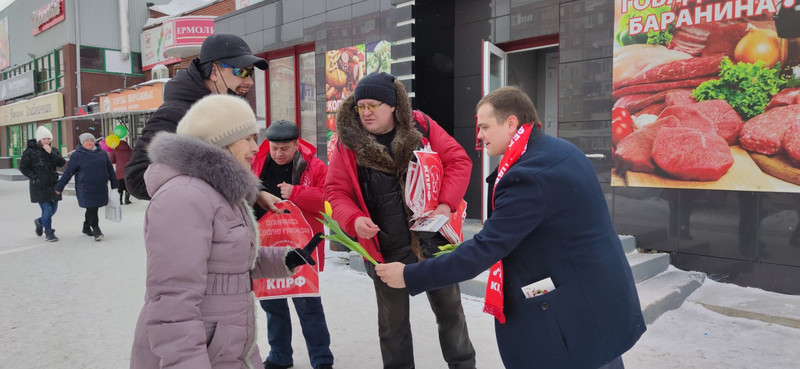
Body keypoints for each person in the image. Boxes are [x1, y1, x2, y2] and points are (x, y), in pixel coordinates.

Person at [375, 86, 646, 369]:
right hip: (596, 299)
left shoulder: (528, 177)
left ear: (511, 123)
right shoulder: (557, 150)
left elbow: (485, 249)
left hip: (576, 317)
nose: (478, 135)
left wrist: (410, 275)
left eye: (484, 126)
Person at [129, 94, 319, 369]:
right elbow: (173, 301)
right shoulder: (185, 196)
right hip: (198, 352)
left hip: (225, 347)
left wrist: (284, 259)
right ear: (221, 142)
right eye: (248, 138)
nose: (256, 148)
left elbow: (225, 262)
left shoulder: (217, 191)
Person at [324, 72, 476, 369]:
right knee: (392, 328)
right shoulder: (348, 143)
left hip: (433, 243)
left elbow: (458, 160)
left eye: (374, 105)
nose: (366, 113)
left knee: (451, 314)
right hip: (384, 248)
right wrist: (353, 220)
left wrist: (446, 204)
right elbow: (335, 191)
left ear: (393, 105)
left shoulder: (421, 126)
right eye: (361, 106)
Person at [125, 33, 269, 200]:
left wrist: (256, 195)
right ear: (214, 71)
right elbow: (136, 178)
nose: (250, 82)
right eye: (242, 71)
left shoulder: (224, 111)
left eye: (251, 73)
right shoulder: (176, 112)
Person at [251, 120, 334, 369]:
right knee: (272, 305)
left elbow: (330, 199)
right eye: (274, 147)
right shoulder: (255, 162)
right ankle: (279, 355)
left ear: (297, 144)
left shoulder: (314, 166)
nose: (278, 154)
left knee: (308, 304)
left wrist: (296, 192)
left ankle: (321, 359)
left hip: (302, 246)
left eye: (285, 148)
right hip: (266, 246)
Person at [54, 133, 119, 241]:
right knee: (92, 208)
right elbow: (68, 172)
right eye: (86, 141)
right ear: (82, 142)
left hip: (100, 187)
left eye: (91, 140)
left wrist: (114, 184)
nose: (89, 142)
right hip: (85, 187)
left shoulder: (102, 154)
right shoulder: (77, 155)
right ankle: (96, 230)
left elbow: (110, 170)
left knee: (94, 208)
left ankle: (86, 227)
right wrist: (59, 187)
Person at [19, 126, 66, 242]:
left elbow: (61, 163)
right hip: (39, 185)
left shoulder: (53, 150)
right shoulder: (30, 151)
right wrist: (35, 177)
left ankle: (39, 221)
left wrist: (51, 153)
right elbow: (23, 167)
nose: (47, 141)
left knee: (53, 209)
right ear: (39, 139)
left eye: (48, 139)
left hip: (53, 184)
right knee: (47, 209)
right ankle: (49, 233)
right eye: (44, 139)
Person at [108, 138, 133, 204]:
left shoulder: (115, 150)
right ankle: (127, 200)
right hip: (128, 170)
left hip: (119, 171)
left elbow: (112, 160)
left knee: (120, 186)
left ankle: (120, 200)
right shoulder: (130, 150)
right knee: (127, 185)